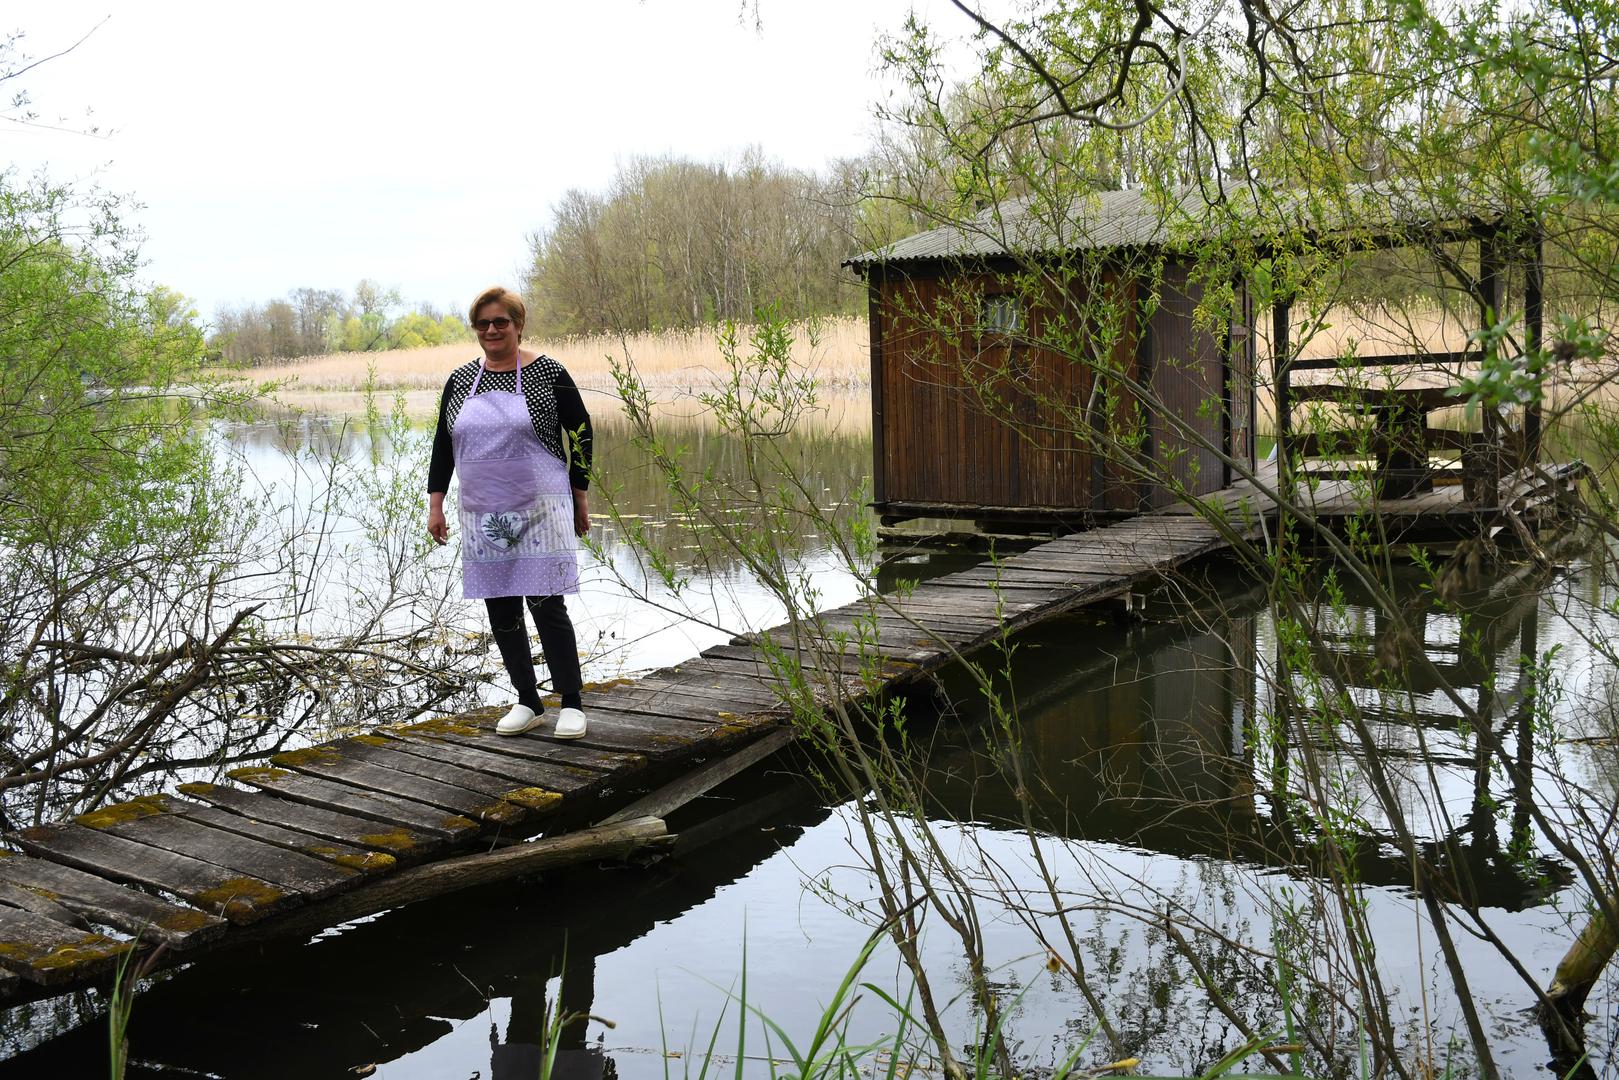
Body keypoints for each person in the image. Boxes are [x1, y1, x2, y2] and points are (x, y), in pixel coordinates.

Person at [427, 286, 592, 738]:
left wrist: (580, 494)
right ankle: (528, 700)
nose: (491, 330)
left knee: (547, 606)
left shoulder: (548, 373)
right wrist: (435, 502)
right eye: (482, 323)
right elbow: (444, 443)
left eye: (500, 321)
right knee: (501, 611)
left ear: (519, 324)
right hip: (485, 512)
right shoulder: (460, 380)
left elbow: (580, 432)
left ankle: (572, 702)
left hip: (542, 507)